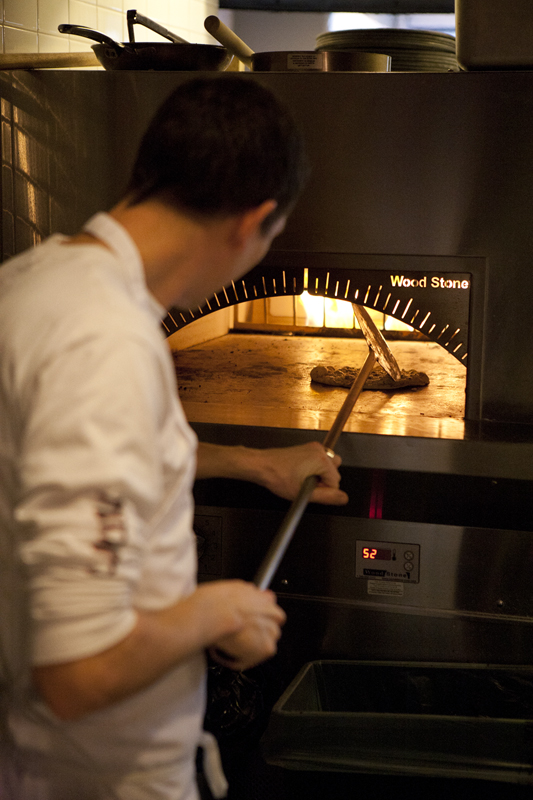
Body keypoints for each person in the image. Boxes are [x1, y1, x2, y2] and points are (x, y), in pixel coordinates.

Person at [0, 76, 348, 800]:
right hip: (100, 772)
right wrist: (215, 613)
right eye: (272, 239)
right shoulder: (108, 345)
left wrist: (253, 464)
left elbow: (74, 459)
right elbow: (77, 673)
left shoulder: (33, 281)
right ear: (251, 222)